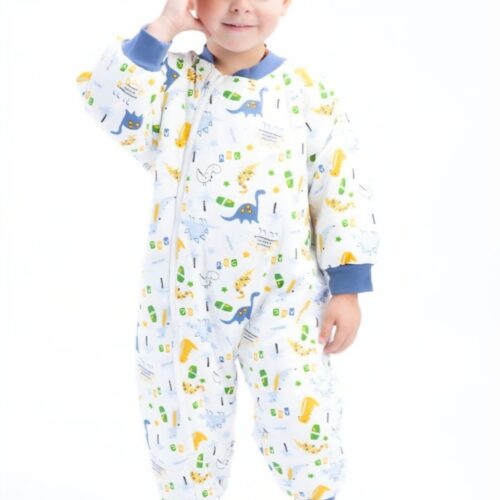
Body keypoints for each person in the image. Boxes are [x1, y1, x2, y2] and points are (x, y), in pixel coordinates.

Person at [74, 0, 380, 498]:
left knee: (306, 427)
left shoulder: (308, 92)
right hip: (182, 302)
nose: (240, 5)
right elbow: (109, 104)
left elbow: (339, 188)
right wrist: (165, 27)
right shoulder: (169, 83)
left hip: (286, 297)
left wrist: (348, 286)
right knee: (184, 438)